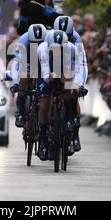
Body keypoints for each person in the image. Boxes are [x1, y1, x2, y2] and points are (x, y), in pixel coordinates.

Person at [36, 30, 86, 160]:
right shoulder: (43, 49)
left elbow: (80, 68)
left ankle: (70, 119)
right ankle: (43, 138)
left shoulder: (72, 48)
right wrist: (50, 76)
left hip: (66, 69)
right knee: (44, 104)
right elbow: (46, 75)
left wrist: (78, 85)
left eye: (61, 49)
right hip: (47, 71)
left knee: (71, 86)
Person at [53, 16, 89, 151]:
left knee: (72, 89)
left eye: (67, 36)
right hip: (53, 64)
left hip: (70, 65)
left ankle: (74, 126)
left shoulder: (76, 39)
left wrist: (80, 85)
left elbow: (82, 64)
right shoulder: (50, 38)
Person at [11, 24, 48, 128]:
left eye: (39, 43)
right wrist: (15, 83)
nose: (37, 45)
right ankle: (21, 113)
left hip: (44, 60)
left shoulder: (48, 39)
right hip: (28, 59)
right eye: (34, 43)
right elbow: (17, 63)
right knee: (24, 76)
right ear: (29, 40)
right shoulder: (23, 40)